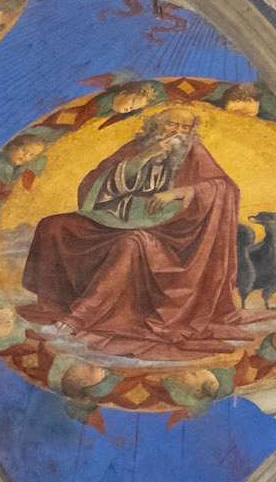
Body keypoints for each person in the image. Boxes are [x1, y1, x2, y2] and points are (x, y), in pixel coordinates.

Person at [23, 104, 254, 358]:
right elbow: (95, 182)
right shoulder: (137, 146)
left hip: (171, 236)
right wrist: (144, 156)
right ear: (155, 125)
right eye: (171, 124)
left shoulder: (195, 152)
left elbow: (224, 188)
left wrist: (181, 192)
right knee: (54, 225)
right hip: (121, 217)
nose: (177, 132)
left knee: (131, 244)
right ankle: (56, 303)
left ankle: (78, 318)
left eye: (185, 127)